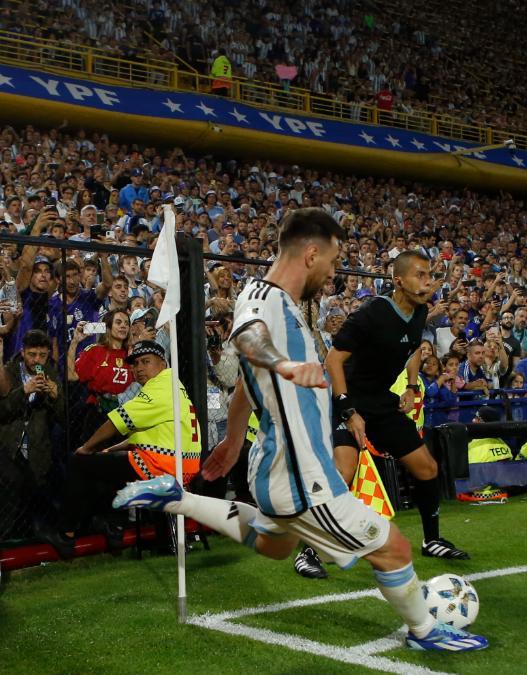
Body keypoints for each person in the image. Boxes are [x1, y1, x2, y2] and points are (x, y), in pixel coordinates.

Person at [111, 208, 488, 651]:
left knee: (273, 544)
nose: (331, 275)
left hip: (275, 467)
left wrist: (233, 441)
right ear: (311, 254)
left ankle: (179, 500)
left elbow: (245, 387)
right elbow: (249, 339)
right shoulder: (261, 298)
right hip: (300, 474)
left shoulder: (284, 304)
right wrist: (286, 364)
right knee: (395, 549)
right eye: (331, 263)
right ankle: (425, 632)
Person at [326, 249, 471, 560]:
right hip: (349, 398)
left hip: (381, 401)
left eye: (429, 275)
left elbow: (414, 347)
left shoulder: (419, 312)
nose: (427, 282)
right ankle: (311, 550)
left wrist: (410, 385)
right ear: (398, 281)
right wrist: (348, 411)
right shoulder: (370, 314)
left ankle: (431, 541)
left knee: (427, 467)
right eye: (420, 275)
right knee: (344, 472)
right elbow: (332, 360)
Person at [41, 340, 199, 558]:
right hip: (182, 465)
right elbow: (143, 436)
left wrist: (87, 448)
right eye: (135, 364)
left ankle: (66, 535)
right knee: (106, 465)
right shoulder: (173, 384)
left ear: (162, 363)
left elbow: (117, 421)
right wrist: (109, 450)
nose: (139, 368)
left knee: (80, 463)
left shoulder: (159, 389)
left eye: (146, 362)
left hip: (162, 466)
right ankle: (112, 526)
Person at [0, 330, 65, 543]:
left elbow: (63, 417)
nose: (37, 360)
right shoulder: (8, 371)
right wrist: (23, 391)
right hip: (9, 445)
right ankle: (7, 542)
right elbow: (2, 410)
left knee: (36, 491)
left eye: (42, 355)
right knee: (13, 486)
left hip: (38, 447)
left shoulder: (51, 373)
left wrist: (56, 397)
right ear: (22, 351)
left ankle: (30, 539)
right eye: (32, 354)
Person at [66, 308, 133, 441]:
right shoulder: (95, 351)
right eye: (118, 322)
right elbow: (71, 376)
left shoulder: (132, 355)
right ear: (107, 327)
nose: (123, 326)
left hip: (126, 413)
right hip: (99, 414)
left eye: (126, 323)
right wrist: (75, 342)